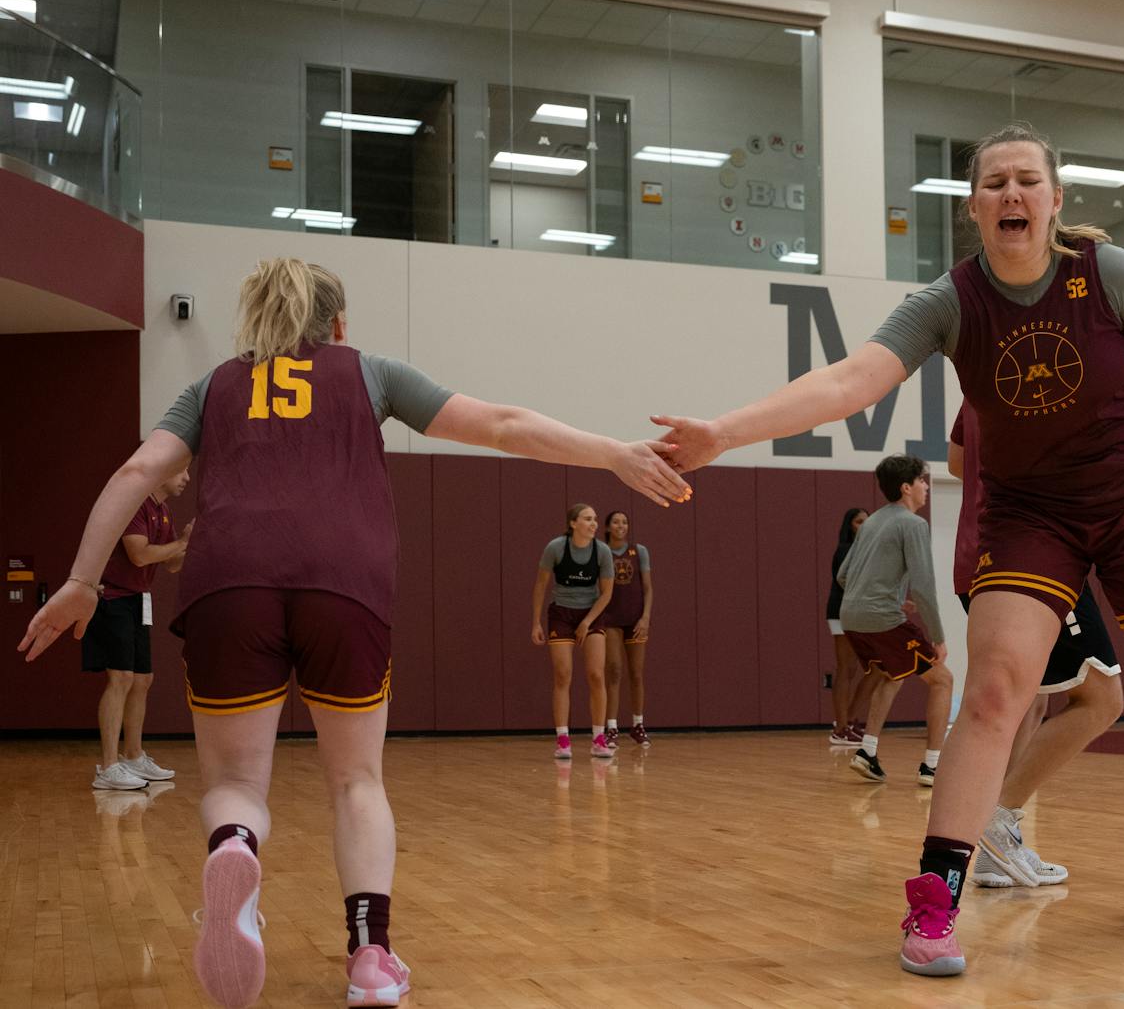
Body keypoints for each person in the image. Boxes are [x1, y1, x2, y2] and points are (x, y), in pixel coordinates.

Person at [650, 121, 1124, 978]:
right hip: (1030, 514)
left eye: (1027, 181)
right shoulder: (948, 303)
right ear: (973, 207)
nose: (1012, 194)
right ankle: (936, 894)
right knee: (997, 689)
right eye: (994, 183)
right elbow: (848, 382)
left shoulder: (1110, 275)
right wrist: (723, 432)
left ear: (1054, 200)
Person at [19, 257, 689, 1009]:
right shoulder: (370, 372)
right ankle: (370, 957)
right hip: (344, 582)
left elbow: (135, 473)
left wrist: (82, 581)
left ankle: (234, 847)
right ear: (338, 323)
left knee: (236, 785)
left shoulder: (212, 387)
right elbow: (503, 424)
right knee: (356, 780)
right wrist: (613, 453)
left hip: (228, 582)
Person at [949, 403, 1124, 889]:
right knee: (1102, 699)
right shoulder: (1052, 383)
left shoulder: (977, 389)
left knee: (1028, 702)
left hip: (978, 557)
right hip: (1033, 559)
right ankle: (997, 819)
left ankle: (994, 851)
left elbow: (957, 463)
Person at [838, 455, 953, 788]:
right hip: (882, 617)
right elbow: (924, 586)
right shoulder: (913, 524)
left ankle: (868, 752)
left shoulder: (871, 521)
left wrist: (881, 596)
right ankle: (932, 766)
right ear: (906, 487)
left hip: (852, 616)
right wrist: (938, 637)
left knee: (894, 674)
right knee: (943, 681)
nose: (926, 486)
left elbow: (844, 575)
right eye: (921, 481)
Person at [84, 466, 192, 791]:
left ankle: (133, 756)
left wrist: (188, 545)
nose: (186, 478)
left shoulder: (163, 510)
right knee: (121, 677)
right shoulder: (136, 504)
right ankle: (108, 767)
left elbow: (170, 565)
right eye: (182, 471)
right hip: (113, 599)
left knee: (143, 679)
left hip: (138, 600)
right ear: (163, 472)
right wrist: (181, 542)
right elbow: (140, 555)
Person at [534, 505, 617, 762]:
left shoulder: (602, 551)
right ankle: (563, 740)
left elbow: (607, 593)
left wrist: (587, 622)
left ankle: (599, 739)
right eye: (587, 519)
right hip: (562, 613)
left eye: (595, 519)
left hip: (592, 612)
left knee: (596, 674)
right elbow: (540, 585)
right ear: (573, 523)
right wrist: (536, 623)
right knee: (563, 674)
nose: (594, 524)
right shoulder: (556, 548)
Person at [599, 509, 654, 748]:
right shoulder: (601, 552)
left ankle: (638, 724)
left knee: (636, 673)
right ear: (608, 527)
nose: (621, 526)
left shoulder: (639, 552)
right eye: (616, 522)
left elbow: (648, 588)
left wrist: (645, 618)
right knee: (613, 670)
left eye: (624, 522)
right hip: (610, 619)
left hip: (635, 620)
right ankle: (611, 727)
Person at [825, 506, 869, 747]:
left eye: (867, 521)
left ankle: (849, 720)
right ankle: (841, 728)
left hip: (858, 612)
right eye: (859, 522)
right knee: (845, 669)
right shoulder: (845, 550)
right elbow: (846, 581)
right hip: (841, 610)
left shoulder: (867, 549)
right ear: (849, 526)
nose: (864, 525)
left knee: (866, 669)